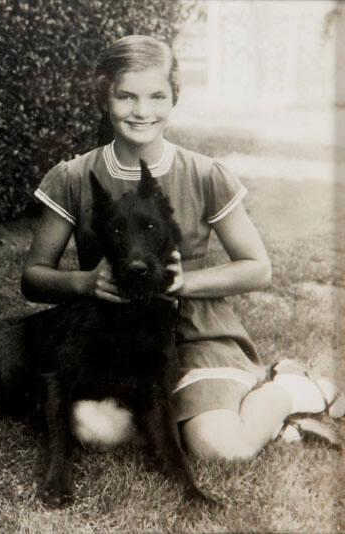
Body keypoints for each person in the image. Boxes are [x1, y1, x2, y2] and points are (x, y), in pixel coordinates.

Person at [21, 35, 342, 459]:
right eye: (126, 96)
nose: (142, 110)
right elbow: (34, 276)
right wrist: (85, 282)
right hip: (112, 340)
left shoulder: (204, 175)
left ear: (175, 99)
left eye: (157, 96)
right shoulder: (75, 177)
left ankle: (291, 389)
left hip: (194, 332)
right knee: (92, 429)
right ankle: (206, 412)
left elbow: (257, 267)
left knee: (220, 448)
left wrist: (182, 282)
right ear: (104, 97)